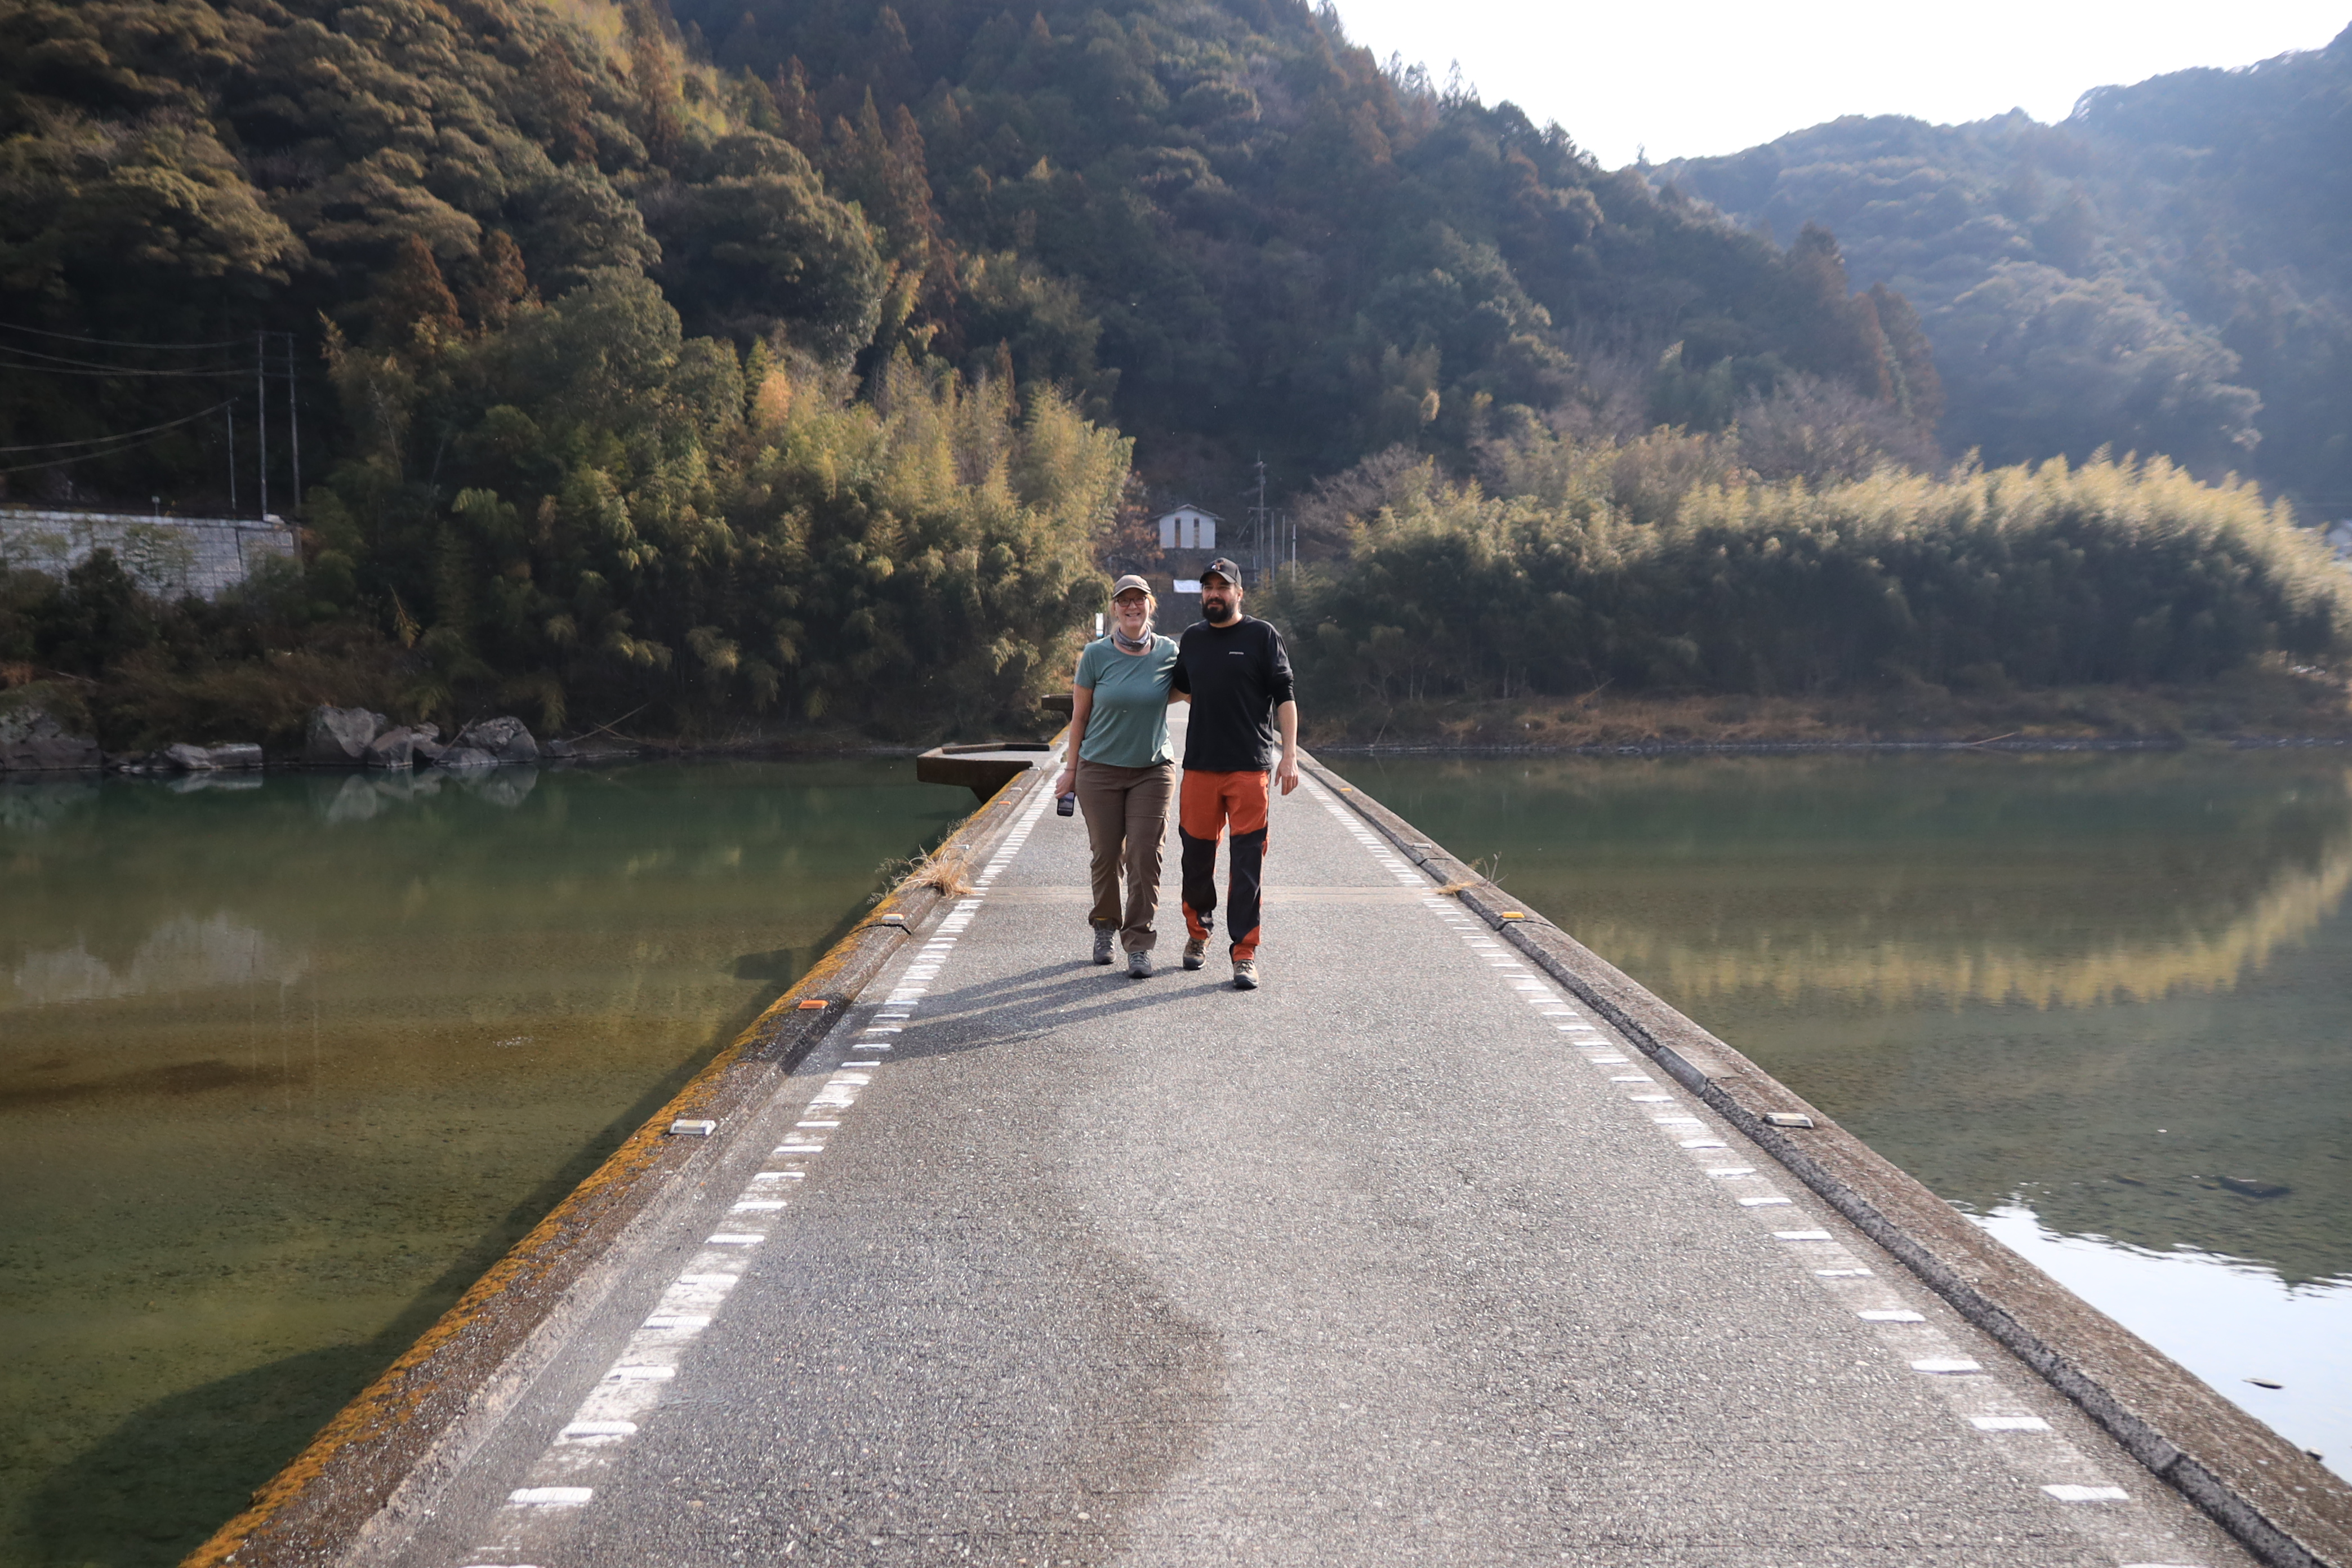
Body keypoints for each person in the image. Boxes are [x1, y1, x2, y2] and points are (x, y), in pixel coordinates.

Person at [1170, 557, 1298, 990]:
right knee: (1196, 860)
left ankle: (1244, 953)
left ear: (1239, 594)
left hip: (1250, 769)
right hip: (1201, 767)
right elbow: (1182, 689)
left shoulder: (1262, 636)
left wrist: (1290, 755)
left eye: (1222, 588)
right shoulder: (1192, 639)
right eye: (1207, 588)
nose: (1213, 595)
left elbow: (1285, 695)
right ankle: (1197, 935)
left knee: (1246, 866)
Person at [1054, 574, 1182, 979]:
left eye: (1139, 600)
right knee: (1106, 855)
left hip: (1153, 770)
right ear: (1115, 608)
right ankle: (1105, 927)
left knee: (1145, 857)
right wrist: (1070, 772)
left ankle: (1139, 941)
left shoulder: (1169, 653)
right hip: (1099, 771)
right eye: (1124, 601)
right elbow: (1079, 719)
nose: (1132, 607)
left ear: (1150, 605)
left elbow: (1193, 691)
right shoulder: (1094, 655)